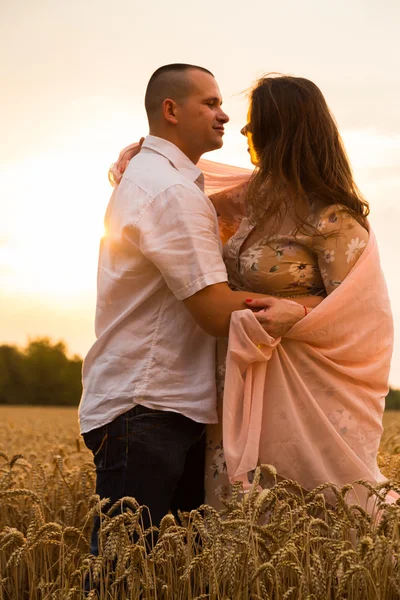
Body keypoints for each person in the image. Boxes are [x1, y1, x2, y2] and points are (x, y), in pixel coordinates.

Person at [79, 64, 313, 556]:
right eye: (209, 103)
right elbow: (212, 311)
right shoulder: (171, 193)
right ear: (170, 110)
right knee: (123, 577)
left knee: (158, 574)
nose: (224, 115)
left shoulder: (162, 178)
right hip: (147, 407)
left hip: (158, 405)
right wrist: (304, 307)